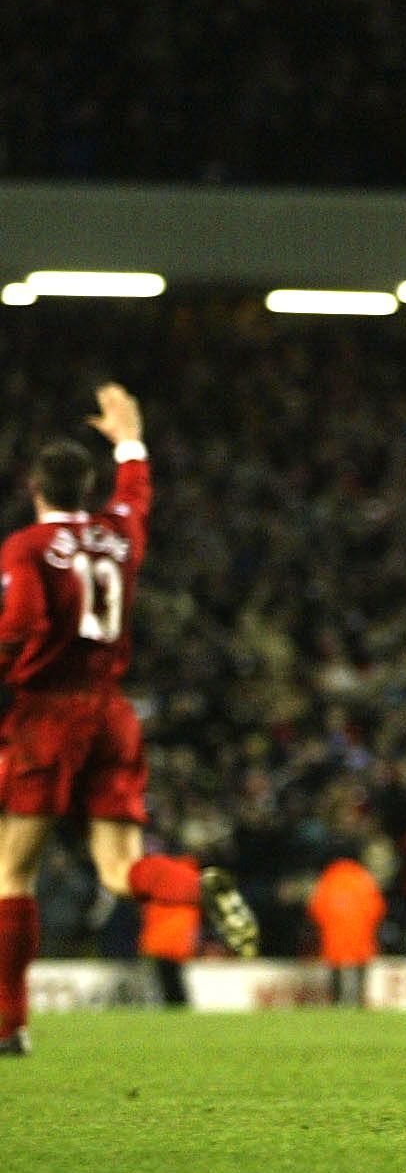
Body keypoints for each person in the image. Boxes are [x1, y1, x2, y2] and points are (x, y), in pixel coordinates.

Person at [0, 385, 259, 1057]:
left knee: (12, 873)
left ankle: (8, 1025)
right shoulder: (116, 535)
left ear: (35, 487)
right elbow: (137, 496)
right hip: (113, 713)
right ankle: (194, 884)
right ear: (88, 489)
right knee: (120, 871)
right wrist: (131, 441)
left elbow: (21, 623)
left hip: (47, 716)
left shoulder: (27, 547)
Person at [308, 852, 386, 1007]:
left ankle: (336, 1000)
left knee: (335, 966)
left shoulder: (329, 879)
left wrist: (326, 925)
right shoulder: (363, 878)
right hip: (361, 934)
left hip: (334, 934)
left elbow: (316, 907)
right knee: (361, 965)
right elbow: (377, 907)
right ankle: (360, 1000)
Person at [138, 853, 201, 1008]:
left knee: (168, 982)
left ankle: (176, 1008)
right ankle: (180, 1008)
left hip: (161, 943)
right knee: (173, 979)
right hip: (176, 943)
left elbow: (149, 913)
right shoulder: (189, 886)